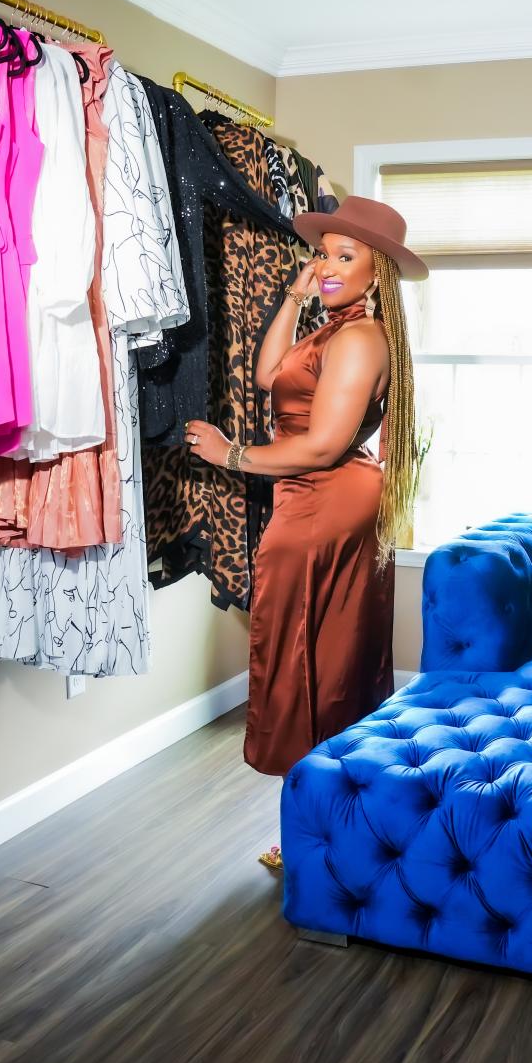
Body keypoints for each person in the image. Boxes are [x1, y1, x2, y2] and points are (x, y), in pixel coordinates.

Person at [185, 196, 428, 867]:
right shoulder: (332, 331)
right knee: (321, 660)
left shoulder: (358, 339)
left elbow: (321, 446)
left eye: (345, 256)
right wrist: (295, 296)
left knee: (316, 666)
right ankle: (330, 830)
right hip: (316, 498)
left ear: (378, 273)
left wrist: (231, 454)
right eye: (323, 253)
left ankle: (324, 835)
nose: (327, 266)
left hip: (325, 500)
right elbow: (270, 375)